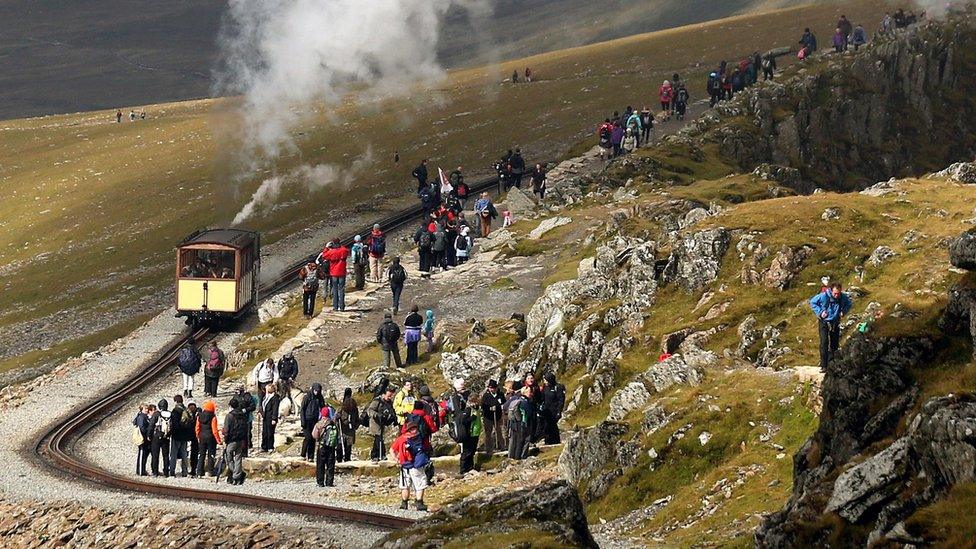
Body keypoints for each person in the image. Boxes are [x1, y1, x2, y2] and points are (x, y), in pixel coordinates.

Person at [810, 283, 852, 370]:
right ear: (831, 291)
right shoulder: (823, 296)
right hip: (824, 322)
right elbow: (812, 302)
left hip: (835, 322)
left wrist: (843, 311)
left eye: (838, 293)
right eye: (835, 293)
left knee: (834, 344)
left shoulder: (842, 297)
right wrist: (820, 312)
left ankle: (833, 364)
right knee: (824, 342)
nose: (837, 295)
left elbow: (849, 303)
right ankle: (824, 365)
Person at [392, 419, 429, 511]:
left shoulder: (401, 439)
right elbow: (426, 448)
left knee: (405, 485)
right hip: (417, 466)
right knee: (420, 484)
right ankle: (419, 503)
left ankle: (404, 504)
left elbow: (392, 450)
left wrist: (396, 459)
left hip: (404, 465)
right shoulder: (420, 437)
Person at [222, 397, 248, 485]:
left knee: (228, 458)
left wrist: (225, 440)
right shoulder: (243, 414)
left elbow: (226, 430)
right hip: (240, 439)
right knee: (238, 458)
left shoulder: (229, 416)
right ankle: (237, 475)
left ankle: (235, 474)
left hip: (231, 440)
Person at [320, 239, 350, 311]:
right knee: (341, 290)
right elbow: (347, 250)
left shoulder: (331, 252)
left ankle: (335, 307)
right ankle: (342, 307)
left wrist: (327, 248)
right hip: (342, 272)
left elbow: (324, 256)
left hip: (334, 273)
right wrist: (340, 245)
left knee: (335, 289)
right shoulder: (343, 250)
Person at [367, 386, 397, 461]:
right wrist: (377, 415)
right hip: (375, 422)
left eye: (391, 396)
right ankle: (379, 455)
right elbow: (369, 410)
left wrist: (393, 418)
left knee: (379, 438)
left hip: (382, 422)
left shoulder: (389, 402)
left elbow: (392, 411)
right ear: (384, 394)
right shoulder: (377, 401)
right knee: (378, 438)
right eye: (389, 396)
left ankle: (377, 455)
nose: (390, 397)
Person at [312, 406, 339, 487]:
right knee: (330, 464)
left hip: (321, 446)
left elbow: (314, 435)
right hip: (331, 446)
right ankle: (329, 482)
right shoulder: (332, 423)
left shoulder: (319, 424)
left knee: (320, 464)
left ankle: (320, 482)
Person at [195, 400, 222, 477]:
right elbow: (214, 430)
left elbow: (197, 427)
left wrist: (198, 436)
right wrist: (218, 440)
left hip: (202, 437)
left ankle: (199, 472)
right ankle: (210, 471)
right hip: (211, 438)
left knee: (201, 455)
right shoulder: (213, 417)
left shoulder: (199, 416)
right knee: (211, 454)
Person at [168, 394, 193, 477]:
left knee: (174, 454)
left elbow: (174, 425)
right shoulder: (186, 410)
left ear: (175, 401)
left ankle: (172, 471)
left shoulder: (175, 411)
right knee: (184, 454)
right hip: (185, 436)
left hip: (176, 436)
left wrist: (171, 433)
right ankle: (184, 472)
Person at [300, 382, 326, 461]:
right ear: (312, 389)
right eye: (315, 390)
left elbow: (323, 407)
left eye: (318, 391)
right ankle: (303, 454)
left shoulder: (320, 397)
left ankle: (311, 456)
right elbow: (302, 409)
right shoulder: (307, 397)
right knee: (307, 438)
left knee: (313, 438)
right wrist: (303, 421)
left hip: (315, 420)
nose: (316, 392)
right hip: (307, 420)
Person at [457, 393, 481, 474]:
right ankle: (463, 469)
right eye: (477, 399)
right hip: (469, 433)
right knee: (467, 451)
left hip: (475, 432)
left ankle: (470, 467)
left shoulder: (476, 408)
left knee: (472, 451)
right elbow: (464, 421)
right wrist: (472, 418)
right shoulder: (468, 409)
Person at [480, 380, 505, 455]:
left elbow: (504, 402)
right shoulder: (486, 396)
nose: (491, 389)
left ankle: (502, 446)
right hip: (488, 417)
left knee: (499, 431)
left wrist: (499, 407)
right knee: (488, 433)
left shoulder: (500, 394)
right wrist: (489, 408)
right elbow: (483, 406)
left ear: (496, 388)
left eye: (493, 388)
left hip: (498, 416)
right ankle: (489, 449)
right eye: (490, 388)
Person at [541, 373, 566, 444]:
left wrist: (559, 411)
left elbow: (561, 400)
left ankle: (555, 441)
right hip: (546, 411)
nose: (545, 382)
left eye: (546, 380)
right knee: (546, 426)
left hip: (554, 411)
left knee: (553, 426)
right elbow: (542, 398)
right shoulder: (545, 388)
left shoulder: (558, 387)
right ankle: (547, 441)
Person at [506, 386, 530, 460]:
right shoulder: (524, 402)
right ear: (525, 393)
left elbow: (505, 407)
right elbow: (528, 413)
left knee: (515, 441)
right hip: (522, 423)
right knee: (523, 440)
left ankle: (513, 457)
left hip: (513, 424)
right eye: (529, 392)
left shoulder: (515, 400)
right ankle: (521, 457)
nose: (530, 393)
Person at [149, 400, 170, 476]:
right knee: (166, 455)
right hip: (166, 437)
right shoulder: (170, 414)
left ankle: (155, 472)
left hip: (157, 436)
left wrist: (149, 435)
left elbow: (151, 425)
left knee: (155, 455)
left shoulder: (157, 414)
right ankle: (166, 472)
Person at [338, 388, 359, 462]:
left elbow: (357, 419)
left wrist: (355, 426)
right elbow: (357, 419)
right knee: (344, 445)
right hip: (345, 430)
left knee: (345, 445)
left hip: (348, 430)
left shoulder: (351, 408)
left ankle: (343, 459)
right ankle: (343, 459)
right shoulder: (344, 408)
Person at [259, 383, 281, 452]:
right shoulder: (266, 396)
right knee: (264, 432)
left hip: (271, 417)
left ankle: (270, 447)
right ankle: (264, 446)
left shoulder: (275, 398)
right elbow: (262, 405)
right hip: (265, 416)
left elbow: (275, 409)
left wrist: (274, 418)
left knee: (270, 433)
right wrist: (261, 412)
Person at [133, 404, 151, 476]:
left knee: (144, 455)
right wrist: (147, 435)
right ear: (142, 409)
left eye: (147, 409)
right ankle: (140, 471)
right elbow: (142, 428)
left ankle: (142, 470)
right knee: (142, 454)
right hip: (142, 439)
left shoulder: (144, 416)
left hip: (145, 439)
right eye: (145, 409)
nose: (147, 410)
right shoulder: (141, 417)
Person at [186, 401, 200, 476]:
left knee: (191, 453)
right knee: (195, 453)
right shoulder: (199, 413)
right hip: (197, 436)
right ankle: (195, 469)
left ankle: (192, 469)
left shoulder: (187, 413)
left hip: (191, 436)